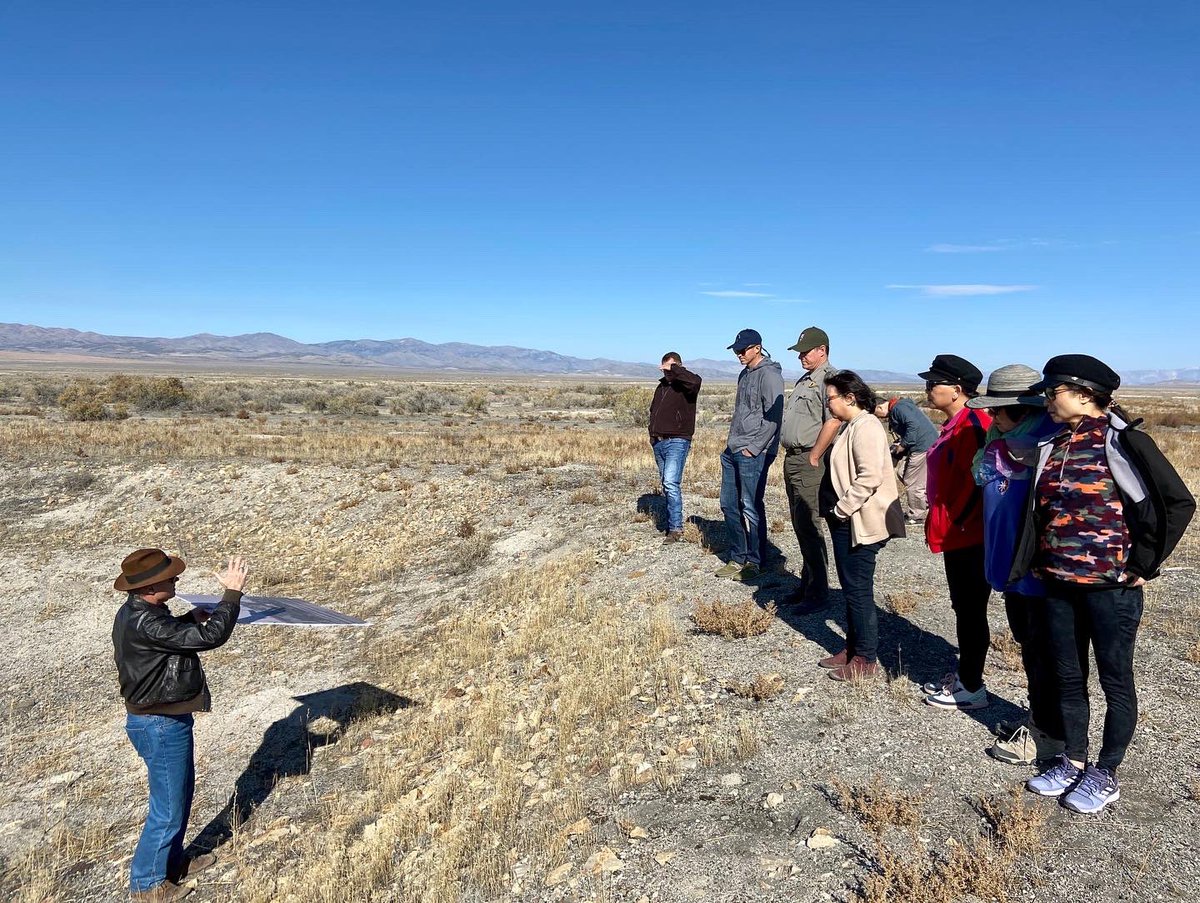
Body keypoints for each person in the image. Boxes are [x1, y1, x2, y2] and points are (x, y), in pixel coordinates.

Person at [1015, 355, 1195, 814]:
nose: (1046, 399)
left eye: (1052, 391)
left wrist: (1143, 563)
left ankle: (1106, 771)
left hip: (1110, 588)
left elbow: (1177, 503)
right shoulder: (1055, 441)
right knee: (1068, 677)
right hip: (1057, 582)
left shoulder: (1124, 440)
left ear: (1083, 394)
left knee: (1115, 680)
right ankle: (1072, 759)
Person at [113, 549, 249, 901]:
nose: (176, 581)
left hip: (160, 719)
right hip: (159, 723)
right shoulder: (148, 620)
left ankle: (172, 865)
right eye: (170, 578)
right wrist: (231, 594)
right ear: (149, 586)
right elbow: (211, 639)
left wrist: (189, 619)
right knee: (168, 806)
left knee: (179, 797)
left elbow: (166, 640)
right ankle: (147, 885)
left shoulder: (141, 613)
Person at [966, 365, 1065, 765]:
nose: (991, 418)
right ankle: (1038, 719)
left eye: (997, 411)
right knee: (1029, 648)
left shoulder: (1047, 445)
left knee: (1046, 654)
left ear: (1020, 409)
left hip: (1036, 572)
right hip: (1011, 568)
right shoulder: (1004, 439)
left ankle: (1049, 737)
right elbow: (980, 476)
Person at [917, 354, 994, 711]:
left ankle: (971, 686)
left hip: (970, 533)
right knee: (964, 606)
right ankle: (966, 674)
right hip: (956, 530)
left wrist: (960, 520)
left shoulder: (974, 425)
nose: (929, 389)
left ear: (958, 390)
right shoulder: (957, 422)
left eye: (935, 383)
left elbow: (982, 482)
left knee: (971, 608)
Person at [817, 370, 905, 681]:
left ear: (849, 397)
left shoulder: (866, 427)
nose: (828, 404)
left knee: (858, 591)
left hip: (858, 521)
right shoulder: (852, 425)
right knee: (851, 588)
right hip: (847, 521)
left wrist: (841, 509)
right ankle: (852, 648)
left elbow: (870, 476)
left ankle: (865, 659)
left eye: (831, 398)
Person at [716, 328, 784, 582]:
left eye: (742, 350)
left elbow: (774, 418)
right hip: (733, 449)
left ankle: (755, 561)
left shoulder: (770, 375)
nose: (739, 355)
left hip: (753, 452)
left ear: (757, 347)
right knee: (728, 504)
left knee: (751, 506)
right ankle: (737, 557)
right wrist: (733, 445)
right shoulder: (744, 374)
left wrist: (754, 448)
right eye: (736, 350)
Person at [779, 327, 839, 612]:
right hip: (793, 458)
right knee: (800, 524)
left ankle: (818, 593)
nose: (801, 356)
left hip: (809, 461)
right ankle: (807, 584)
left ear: (822, 351)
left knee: (810, 525)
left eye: (806, 351)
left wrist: (815, 455)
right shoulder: (806, 380)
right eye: (800, 352)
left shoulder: (830, 380)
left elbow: (834, 421)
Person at [647, 352, 703, 543]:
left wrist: (676, 369)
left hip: (677, 441)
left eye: (670, 368)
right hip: (659, 442)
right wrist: (652, 436)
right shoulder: (661, 387)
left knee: (671, 483)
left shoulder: (687, 385)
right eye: (665, 368)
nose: (667, 372)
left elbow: (696, 382)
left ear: (679, 367)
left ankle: (675, 529)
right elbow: (653, 411)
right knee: (666, 483)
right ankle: (672, 523)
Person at [873, 395, 938, 525]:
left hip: (921, 446)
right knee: (902, 472)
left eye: (877, 414)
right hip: (922, 445)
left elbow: (913, 426)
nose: (880, 418)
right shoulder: (901, 406)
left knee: (913, 482)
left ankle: (916, 515)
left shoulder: (898, 408)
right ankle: (924, 502)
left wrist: (903, 445)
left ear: (880, 407)